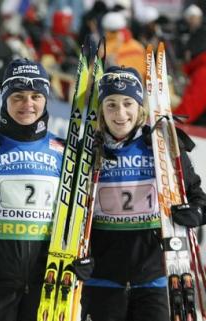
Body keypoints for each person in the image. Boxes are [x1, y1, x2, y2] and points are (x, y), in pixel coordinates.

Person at [80, 66, 206, 321]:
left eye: (128, 103)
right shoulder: (87, 150)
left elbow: (197, 197)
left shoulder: (162, 146)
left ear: (140, 107)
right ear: (102, 109)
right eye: (111, 104)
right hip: (102, 279)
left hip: (154, 279)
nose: (120, 113)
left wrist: (196, 212)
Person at [0, 58, 65, 321]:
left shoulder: (63, 151)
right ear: (5, 99)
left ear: (46, 99)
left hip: (45, 283)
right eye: (18, 97)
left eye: (36, 96)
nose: (28, 105)